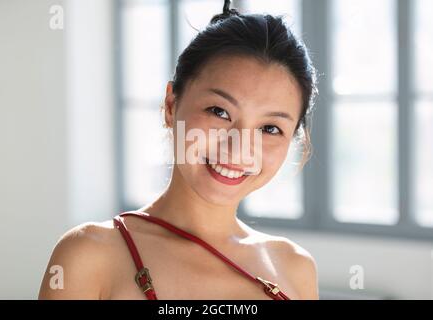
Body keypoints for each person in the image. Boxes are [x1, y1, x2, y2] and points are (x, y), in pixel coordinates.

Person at [38, 0, 319, 300]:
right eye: (219, 111)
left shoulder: (295, 267)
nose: (239, 149)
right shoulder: (89, 255)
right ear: (171, 106)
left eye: (269, 129)